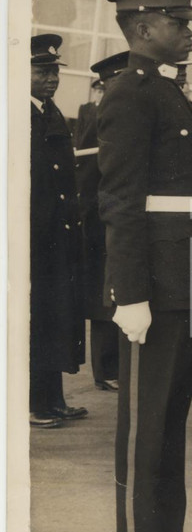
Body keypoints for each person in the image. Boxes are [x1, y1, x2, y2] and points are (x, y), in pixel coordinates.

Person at [100, 0, 192, 532]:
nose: (190, 34)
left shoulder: (171, 92)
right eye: (179, 24)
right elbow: (121, 204)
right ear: (143, 27)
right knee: (146, 422)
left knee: (171, 415)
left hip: (186, 277)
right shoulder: (128, 94)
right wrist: (131, 295)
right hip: (154, 284)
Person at [29, 33, 87, 429]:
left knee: (54, 319)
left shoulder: (50, 113)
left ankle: (53, 399)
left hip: (58, 235)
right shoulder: (17, 115)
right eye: (42, 71)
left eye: (54, 72)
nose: (51, 78)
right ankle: (36, 404)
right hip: (33, 238)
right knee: (36, 321)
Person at [75, 52, 129, 394]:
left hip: (121, 216)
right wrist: (93, 220)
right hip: (101, 218)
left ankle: (117, 365)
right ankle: (106, 368)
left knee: (120, 292)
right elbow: (85, 175)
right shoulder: (99, 115)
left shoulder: (127, 113)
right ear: (106, 83)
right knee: (104, 297)